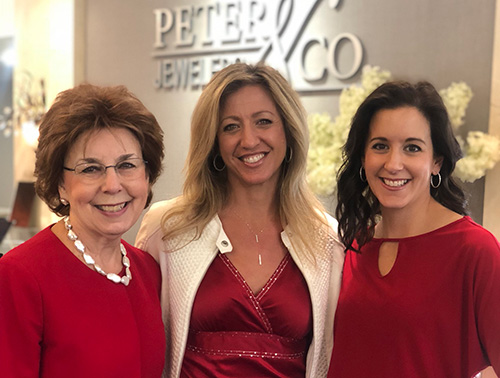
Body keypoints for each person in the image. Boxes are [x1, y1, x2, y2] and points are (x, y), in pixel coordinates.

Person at [135, 62, 344, 378]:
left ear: (288, 130)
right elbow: (141, 345)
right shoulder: (167, 227)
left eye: (263, 121)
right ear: (214, 141)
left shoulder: (327, 237)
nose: (249, 140)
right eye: (231, 126)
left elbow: (332, 354)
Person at [328, 81, 500, 377]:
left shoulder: (474, 250)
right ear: (362, 158)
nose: (394, 164)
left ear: (436, 162)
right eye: (380, 146)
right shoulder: (353, 246)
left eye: (412, 148)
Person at [0, 84, 166, 377]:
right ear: (61, 184)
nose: (113, 185)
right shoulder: (20, 276)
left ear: (147, 176)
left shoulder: (147, 270)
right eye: (91, 169)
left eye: (127, 165)